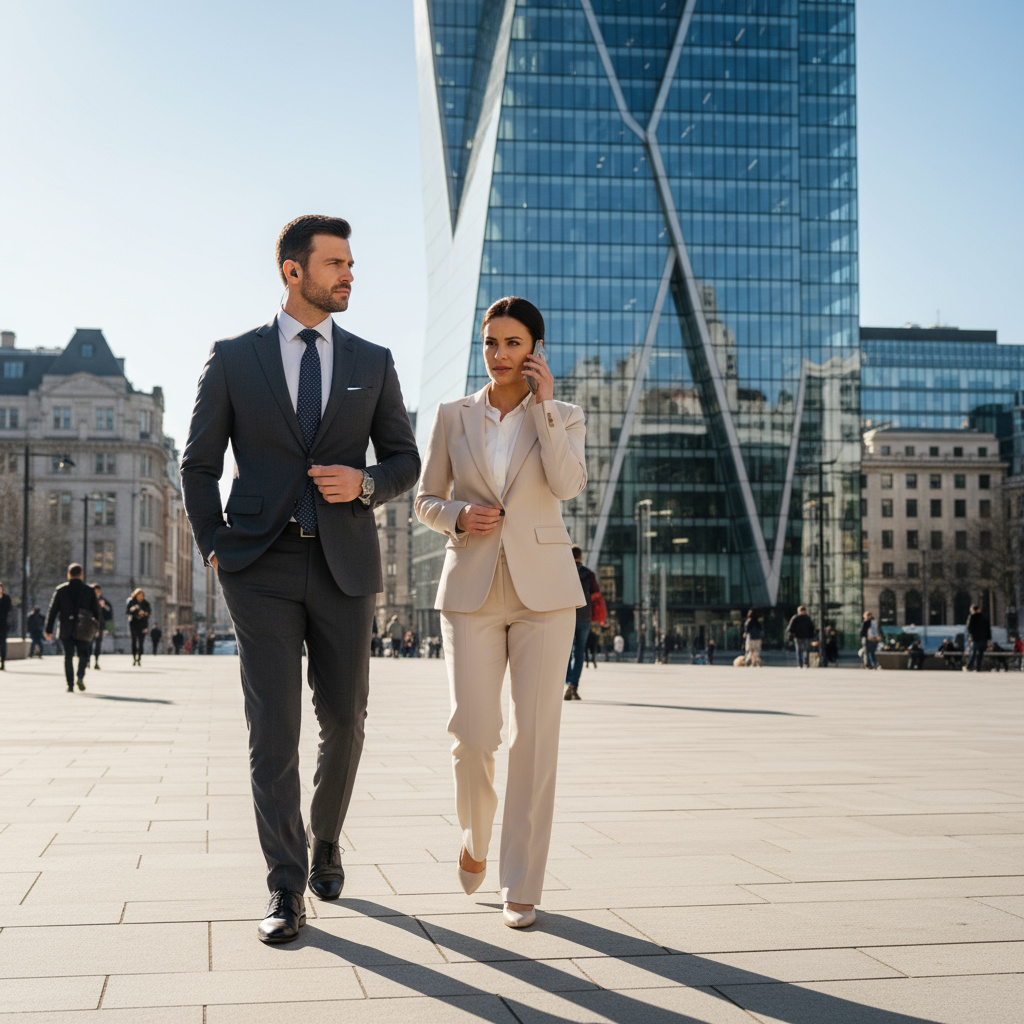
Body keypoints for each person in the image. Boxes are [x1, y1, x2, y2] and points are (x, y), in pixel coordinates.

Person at [180, 214, 419, 946]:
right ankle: (285, 886)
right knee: (272, 730)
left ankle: (325, 841)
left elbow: (405, 460)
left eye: (351, 264)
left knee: (345, 718)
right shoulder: (232, 358)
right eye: (337, 264)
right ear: (294, 272)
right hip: (260, 565)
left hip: (346, 564)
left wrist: (366, 483)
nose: (350, 275)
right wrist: (215, 545)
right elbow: (197, 464)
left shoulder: (373, 360)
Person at [415, 295, 585, 930]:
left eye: (513, 343)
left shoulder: (565, 415)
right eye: (491, 343)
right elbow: (426, 499)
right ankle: (476, 836)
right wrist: (456, 514)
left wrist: (542, 409)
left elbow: (567, 485)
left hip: (545, 592)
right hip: (472, 588)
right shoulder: (453, 415)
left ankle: (521, 882)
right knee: (474, 734)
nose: (499, 355)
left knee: (536, 738)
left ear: (534, 349)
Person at [44, 563, 100, 692]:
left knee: (68, 656)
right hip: (84, 628)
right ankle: (80, 676)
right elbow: (97, 611)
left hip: (66, 628)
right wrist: (96, 627)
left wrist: (48, 630)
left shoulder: (61, 590)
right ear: (81, 575)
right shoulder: (89, 590)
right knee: (83, 654)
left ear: (68, 575)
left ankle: (70, 685)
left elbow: (52, 611)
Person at [564, 546, 598, 701]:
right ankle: (575, 687)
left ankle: (569, 683)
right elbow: (596, 596)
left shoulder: (564, 572)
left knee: (566, 653)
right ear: (581, 557)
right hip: (584, 617)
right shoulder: (589, 574)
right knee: (579, 654)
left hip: (568, 616)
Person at [127, 589, 151, 666]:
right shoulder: (132, 602)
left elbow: (148, 613)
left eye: (142, 595)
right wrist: (135, 610)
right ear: (136, 595)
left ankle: (139, 658)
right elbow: (127, 611)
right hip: (133, 623)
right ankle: (134, 658)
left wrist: (144, 613)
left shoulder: (146, 603)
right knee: (134, 641)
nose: (140, 597)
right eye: (139, 595)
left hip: (142, 624)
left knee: (141, 642)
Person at [965, 604, 991, 672]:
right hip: (983, 638)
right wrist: (988, 638)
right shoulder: (984, 617)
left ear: (972, 610)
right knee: (980, 653)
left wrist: (971, 635)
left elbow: (969, 628)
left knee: (973, 652)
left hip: (975, 638)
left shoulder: (972, 617)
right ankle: (978, 667)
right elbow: (988, 629)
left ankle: (969, 666)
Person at [92, 585, 112, 669]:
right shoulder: (89, 600)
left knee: (98, 644)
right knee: (88, 644)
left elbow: (109, 612)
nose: (97, 593)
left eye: (98, 591)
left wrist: (103, 606)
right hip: (90, 625)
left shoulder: (103, 601)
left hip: (99, 626)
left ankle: (96, 661)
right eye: (95, 591)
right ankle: (87, 660)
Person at [0, 581, 11, 670]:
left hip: (3, 625)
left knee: (3, 645)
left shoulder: (6, 598)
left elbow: (9, 609)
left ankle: (3, 662)